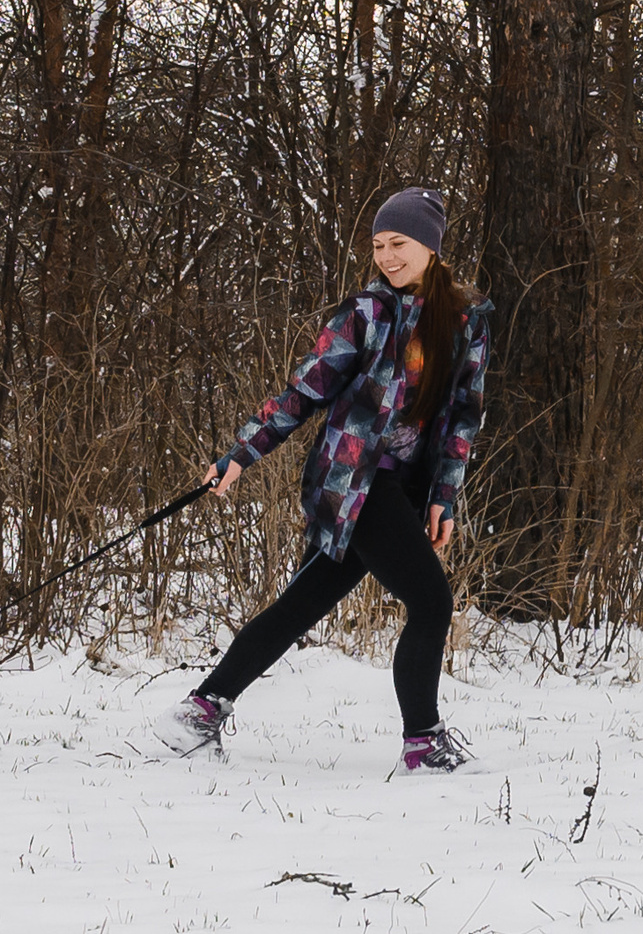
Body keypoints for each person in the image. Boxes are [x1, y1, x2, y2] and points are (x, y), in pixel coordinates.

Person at [156, 187, 490, 773]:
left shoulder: (467, 322)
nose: (387, 257)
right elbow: (302, 392)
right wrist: (241, 453)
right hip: (351, 485)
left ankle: (201, 710)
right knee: (431, 602)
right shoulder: (365, 315)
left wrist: (444, 496)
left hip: (405, 491)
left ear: (432, 249)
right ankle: (424, 743)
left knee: (301, 604)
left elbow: (464, 414)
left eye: (400, 244)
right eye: (379, 245)